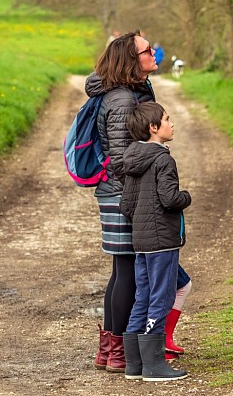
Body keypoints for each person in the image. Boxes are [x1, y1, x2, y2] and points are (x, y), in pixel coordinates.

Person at [85, 31, 158, 373]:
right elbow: (120, 157)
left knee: (121, 269)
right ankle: (118, 351)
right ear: (132, 60)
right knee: (127, 269)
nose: (154, 53)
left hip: (119, 191)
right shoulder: (122, 101)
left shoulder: (127, 94)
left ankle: (109, 350)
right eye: (147, 51)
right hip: (122, 193)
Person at [119, 102, 191, 381]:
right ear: (154, 128)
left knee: (143, 297)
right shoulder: (163, 159)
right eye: (167, 119)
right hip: (163, 240)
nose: (172, 124)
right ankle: (154, 365)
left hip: (142, 242)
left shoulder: (133, 158)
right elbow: (170, 199)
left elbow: (126, 205)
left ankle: (134, 365)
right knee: (161, 298)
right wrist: (186, 197)